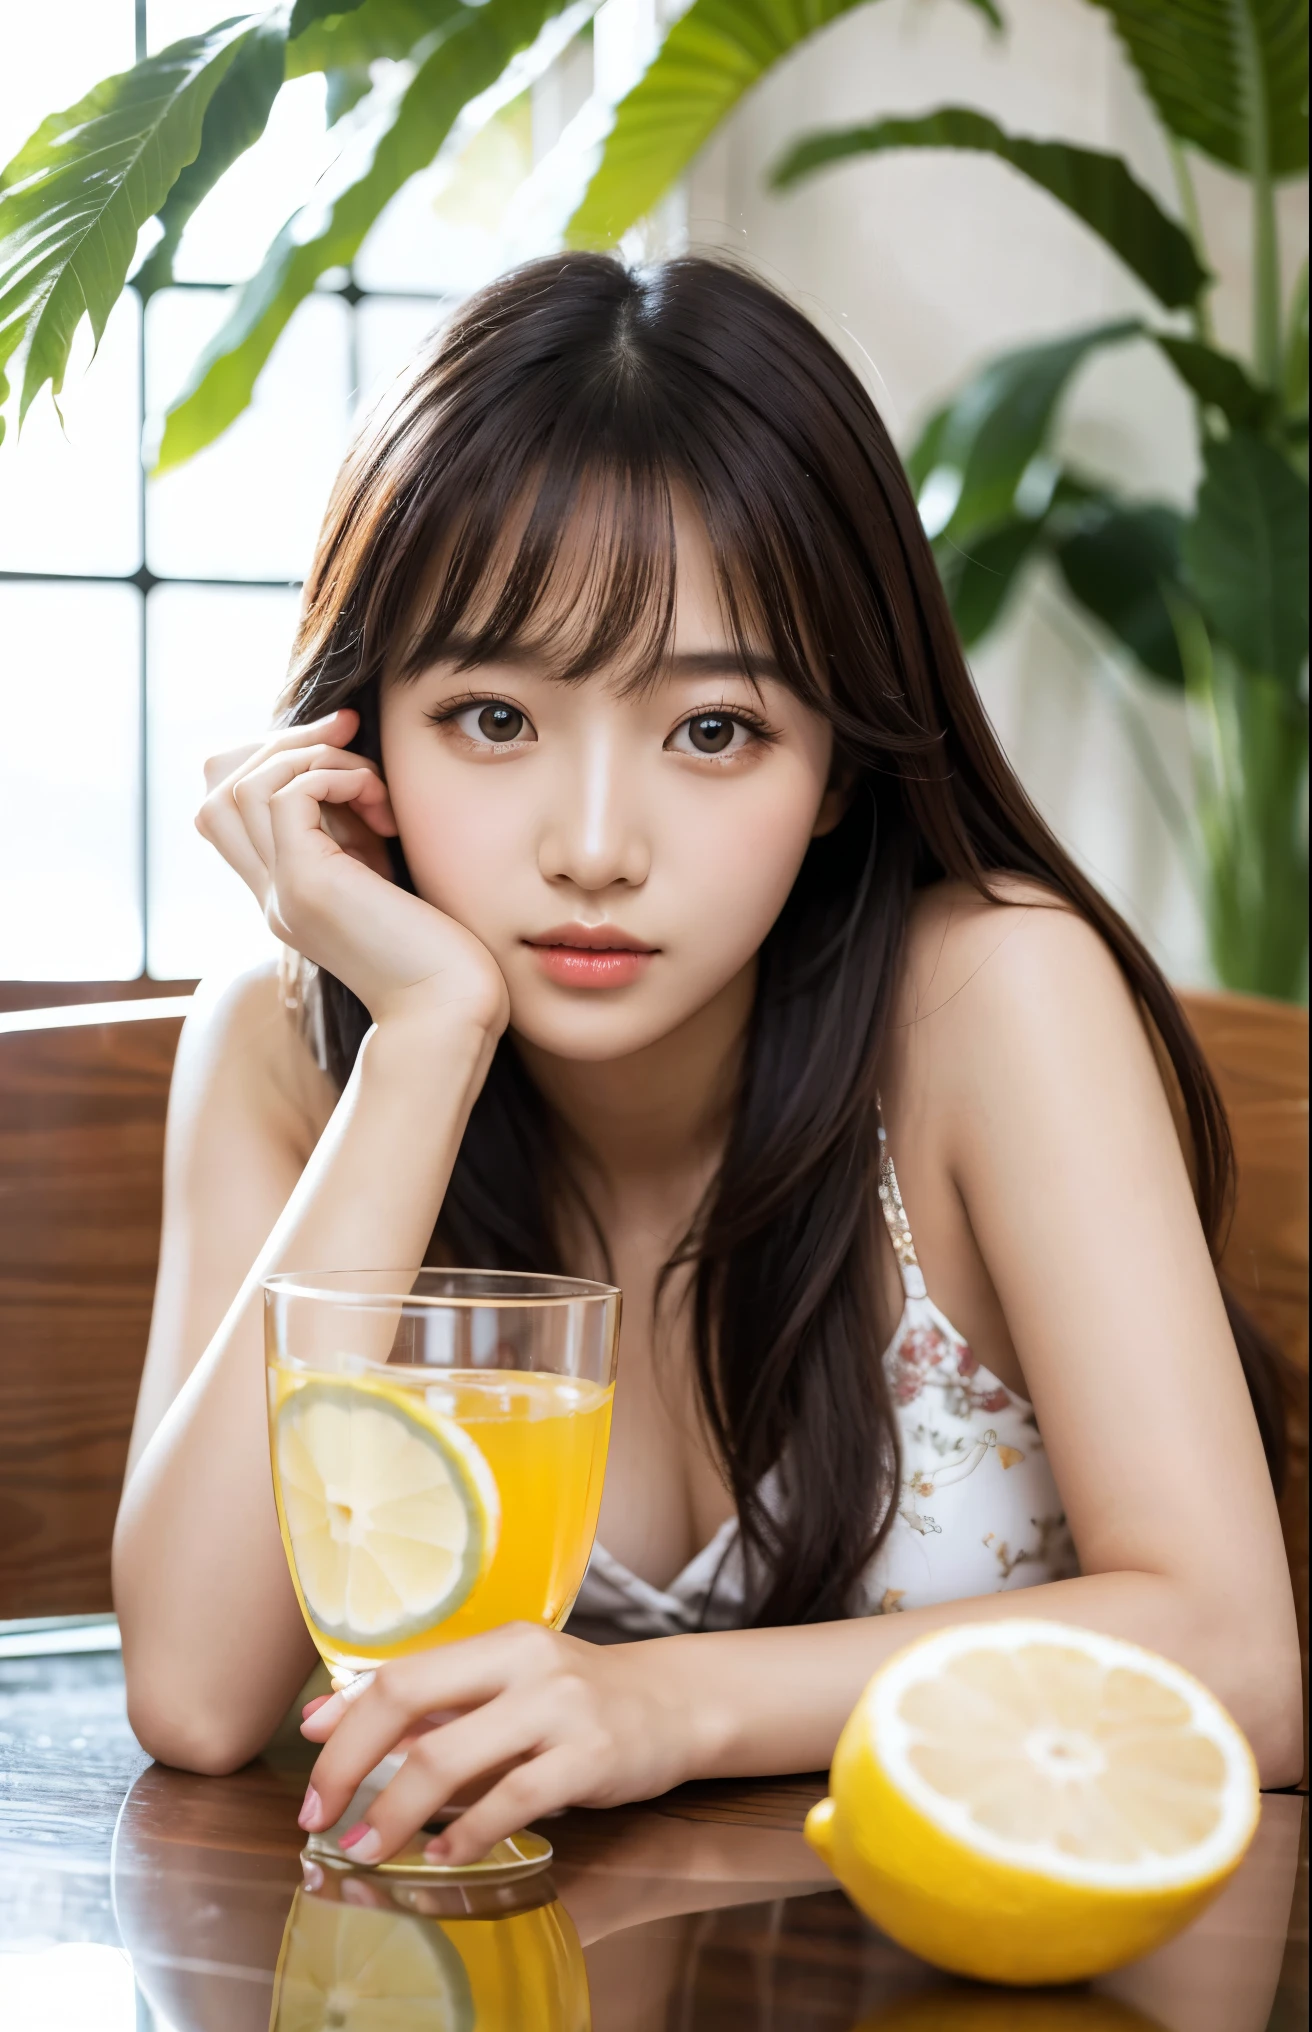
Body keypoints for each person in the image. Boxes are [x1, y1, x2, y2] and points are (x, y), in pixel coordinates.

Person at [113, 254, 1302, 1868]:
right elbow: (195, 1695)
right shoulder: (288, 1042)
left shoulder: (992, 1000)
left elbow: (1243, 1662)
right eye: (491, 716)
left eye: (713, 731)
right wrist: (426, 1040)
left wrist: (659, 1710)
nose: (596, 850)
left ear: (835, 764)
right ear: (359, 737)